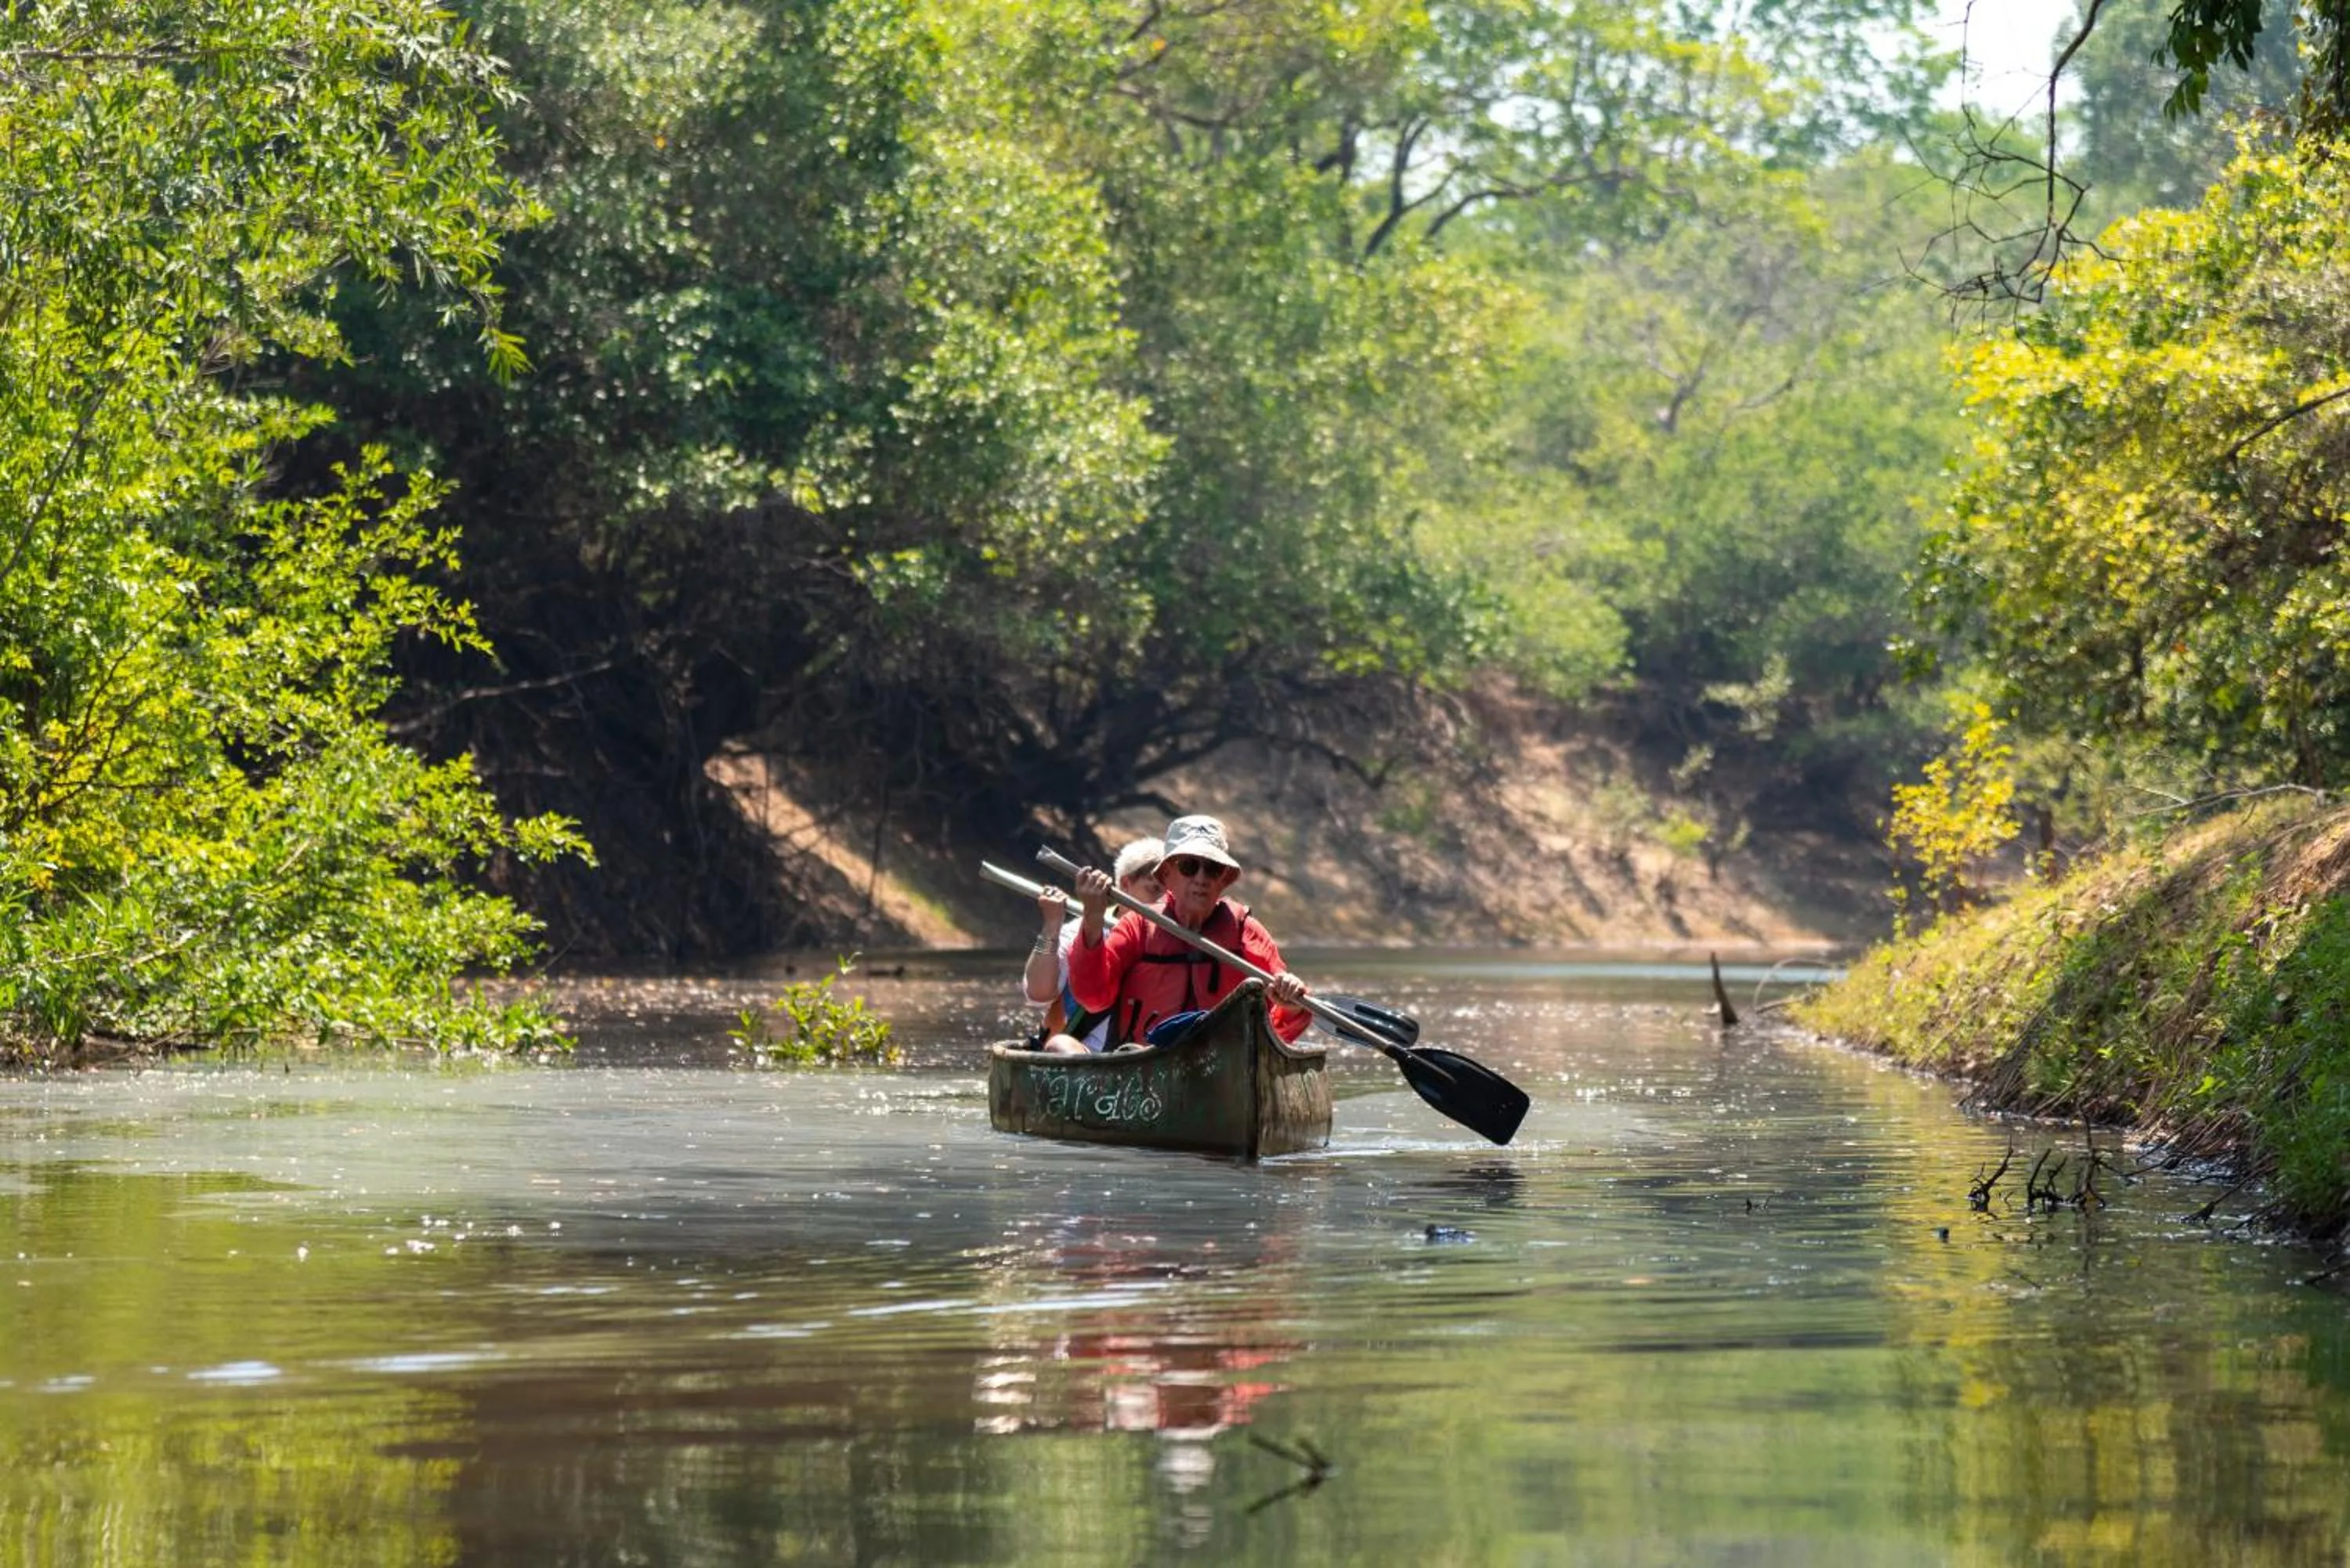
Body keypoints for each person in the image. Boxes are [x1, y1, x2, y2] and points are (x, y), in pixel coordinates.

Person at [1066, 815, 1311, 1048]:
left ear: (1224, 879)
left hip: (1223, 1065)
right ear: (1166, 875)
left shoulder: (1245, 931)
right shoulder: (1137, 926)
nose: (1201, 878)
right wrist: (1093, 919)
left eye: (1213, 869)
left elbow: (1283, 1029)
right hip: (1144, 1064)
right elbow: (1093, 998)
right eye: (1189, 866)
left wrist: (1292, 1005)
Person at [1024, 836, 1163, 1053]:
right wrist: (1052, 925)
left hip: (1148, 1054)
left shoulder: (1176, 937)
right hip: (1085, 1055)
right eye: (1154, 890)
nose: (1162, 902)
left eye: (1169, 893)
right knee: (1061, 1047)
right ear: (1126, 884)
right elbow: (1038, 993)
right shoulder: (1079, 930)